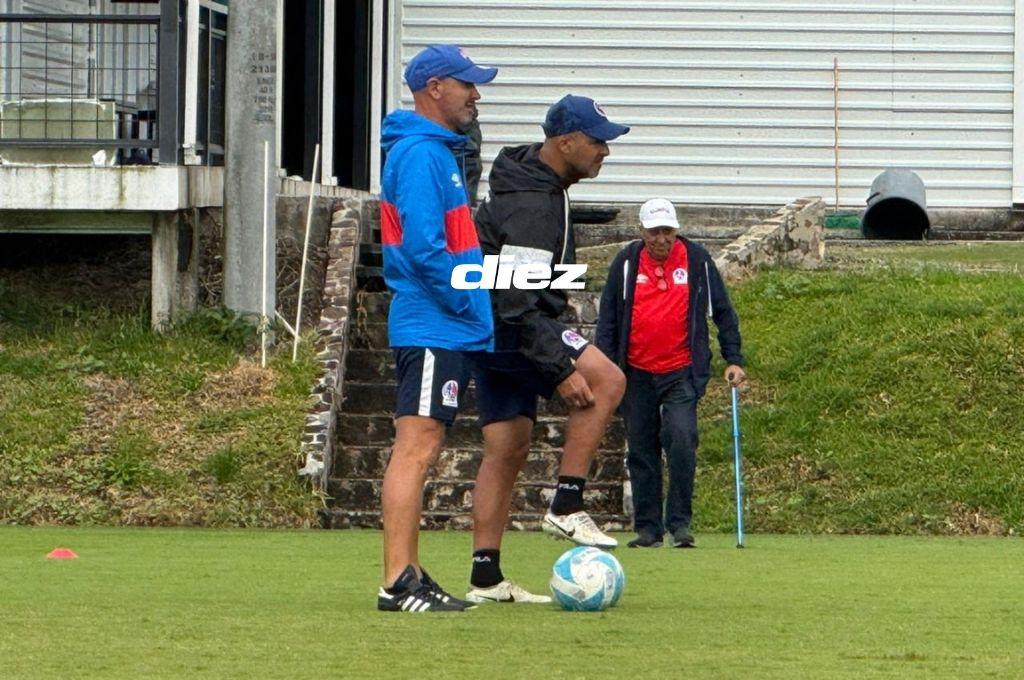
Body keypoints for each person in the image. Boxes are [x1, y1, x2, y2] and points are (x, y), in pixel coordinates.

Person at [465, 95, 629, 604]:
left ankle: (485, 579)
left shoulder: (541, 186)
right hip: (512, 326)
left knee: (507, 450)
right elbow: (516, 300)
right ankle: (566, 504)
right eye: (598, 140)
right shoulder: (534, 204)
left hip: (489, 331)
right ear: (565, 142)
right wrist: (559, 368)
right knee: (608, 380)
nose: (606, 150)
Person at [376, 44, 497, 612]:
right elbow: (425, 250)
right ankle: (398, 582)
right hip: (432, 324)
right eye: (467, 84)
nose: (476, 94)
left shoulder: (435, 153)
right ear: (433, 88)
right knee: (416, 450)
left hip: (441, 324)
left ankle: (413, 575)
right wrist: (465, 300)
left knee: (422, 447)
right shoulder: (423, 155)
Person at [595, 198, 746, 549]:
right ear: (641, 232)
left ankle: (680, 524)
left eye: (667, 231)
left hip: (681, 370)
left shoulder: (697, 261)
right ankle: (649, 530)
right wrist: (604, 366)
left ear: (676, 230)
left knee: (681, 441)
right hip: (635, 371)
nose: (661, 239)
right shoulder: (627, 263)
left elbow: (723, 313)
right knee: (641, 450)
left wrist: (733, 358)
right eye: (654, 232)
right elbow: (609, 320)